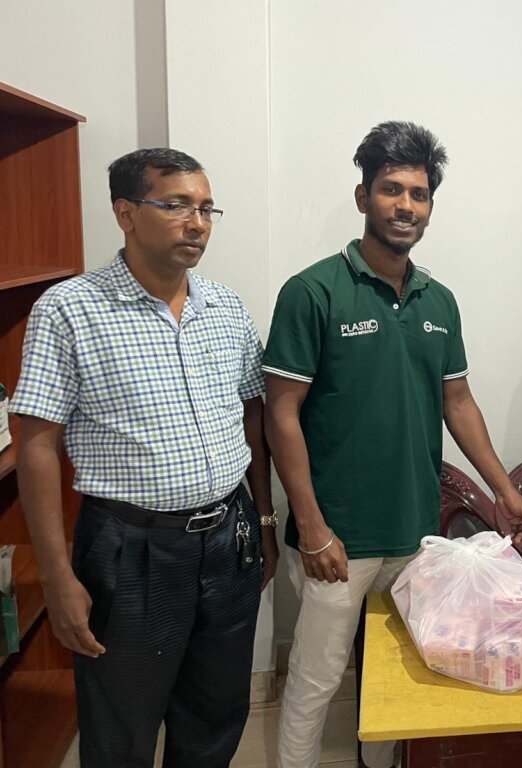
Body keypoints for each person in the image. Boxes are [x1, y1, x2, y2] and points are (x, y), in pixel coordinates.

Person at [263, 121, 522, 768]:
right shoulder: (313, 291)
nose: (405, 206)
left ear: (430, 207)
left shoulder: (438, 299)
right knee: (316, 677)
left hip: (416, 530)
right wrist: (311, 527)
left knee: (397, 673)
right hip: (338, 534)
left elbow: (458, 402)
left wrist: (504, 491)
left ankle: (380, 762)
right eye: (391, 190)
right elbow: (281, 413)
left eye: (419, 194)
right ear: (363, 197)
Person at [12, 148, 279, 768]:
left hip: (229, 536)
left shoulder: (225, 307)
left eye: (206, 208)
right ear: (126, 213)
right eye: (178, 205)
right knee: (121, 728)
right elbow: (37, 445)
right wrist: (56, 577)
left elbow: (253, 417)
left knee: (215, 714)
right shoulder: (69, 309)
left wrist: (264, 520)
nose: (198, 223)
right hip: (132, 548)